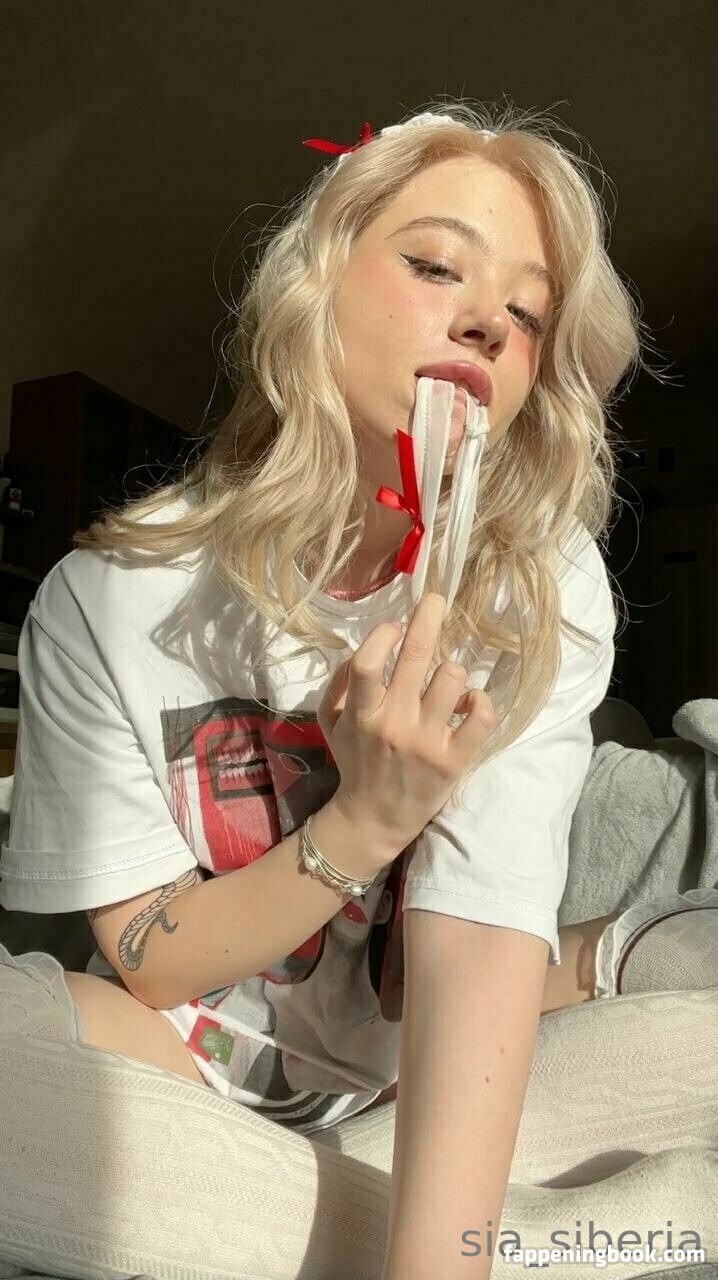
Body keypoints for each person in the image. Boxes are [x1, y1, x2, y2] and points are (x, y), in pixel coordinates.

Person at [2, 99, 717, 1280]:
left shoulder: (534, 581)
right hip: (173, 1056)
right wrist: (367, 819)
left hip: (411, 1077)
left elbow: (473, 941)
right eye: (435, 264)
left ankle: (291, 1202)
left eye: (528, 314)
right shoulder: (107, 599)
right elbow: (152, 958)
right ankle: (541, 1209)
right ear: (314, 286)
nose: (486, 321)